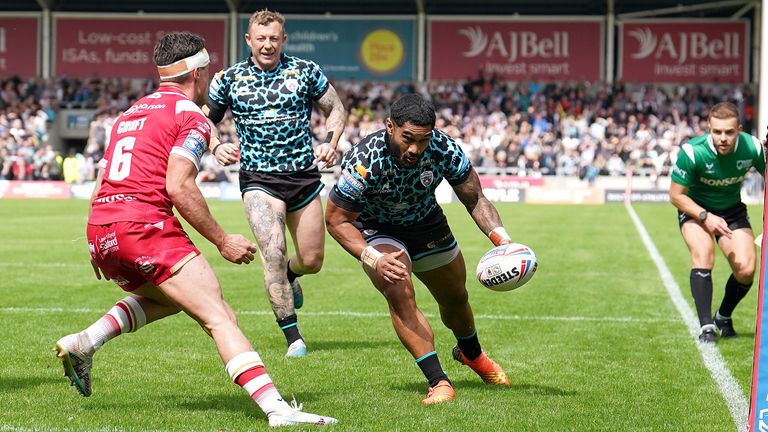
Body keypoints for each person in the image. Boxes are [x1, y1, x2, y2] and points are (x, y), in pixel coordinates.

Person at [53, 32, 337, 427]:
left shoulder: (130, 112)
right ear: (199, 73)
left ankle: (86, 342)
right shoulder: (190, 115)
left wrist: (94, 235)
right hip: (144, 224)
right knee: (218, 315)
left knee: (172, 298)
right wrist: (222, 240)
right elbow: (179, 186)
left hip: (103, 227)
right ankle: (278, 410)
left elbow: (103, 178)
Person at [325, 93, 511, 404]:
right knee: (398, 289)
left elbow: (475, 198)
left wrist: (502, 240)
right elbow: (336, 220)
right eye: (407, 138)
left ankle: (473, 355)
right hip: (378, 229)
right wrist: (373, 257)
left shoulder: (443, 147)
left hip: (427, 224)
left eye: (422, 141)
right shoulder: (364, 160)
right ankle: (439, 381)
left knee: (455, 297)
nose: (414, 149)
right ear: (390, 127)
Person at [205, 9, 346, 358]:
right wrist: (216, 145)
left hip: (303, 177)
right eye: (261, 38)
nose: (267, 45)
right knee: (272, 251)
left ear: (283, 40)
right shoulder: (228, 79)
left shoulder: (305, 72)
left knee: (311, 260)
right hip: (258, 179)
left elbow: (337, 108)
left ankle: (290, 274)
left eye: (274, 39)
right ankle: (293, 337)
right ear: (248, 40)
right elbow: (203, 119)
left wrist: (330, 141)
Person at [669, 101, 765, 344]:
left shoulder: (753, 147)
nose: (723, 138)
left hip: (732, 210)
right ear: (709, 128)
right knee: (703, 254)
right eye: (717, 132)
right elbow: (675, 195)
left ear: (739, 130)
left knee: (746, 269)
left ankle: (723, 315)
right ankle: (706, 326)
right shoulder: (693, 151)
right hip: (696, 210)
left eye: (729, 132)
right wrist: (706, 217)